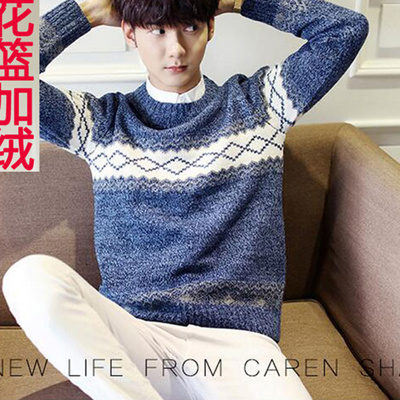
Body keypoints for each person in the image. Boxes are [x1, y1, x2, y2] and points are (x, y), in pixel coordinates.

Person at [2, 0, 368, 398]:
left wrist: (241, 2)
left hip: (240, 349)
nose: (175, 49)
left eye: (190, 28)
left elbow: (346, 29)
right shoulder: (100, 124)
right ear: (130, 33)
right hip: (135, 341)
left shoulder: (261, 106)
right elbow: (7, 75)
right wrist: (85, 13)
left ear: (211, 27)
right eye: (157, 31)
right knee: (28, 278)